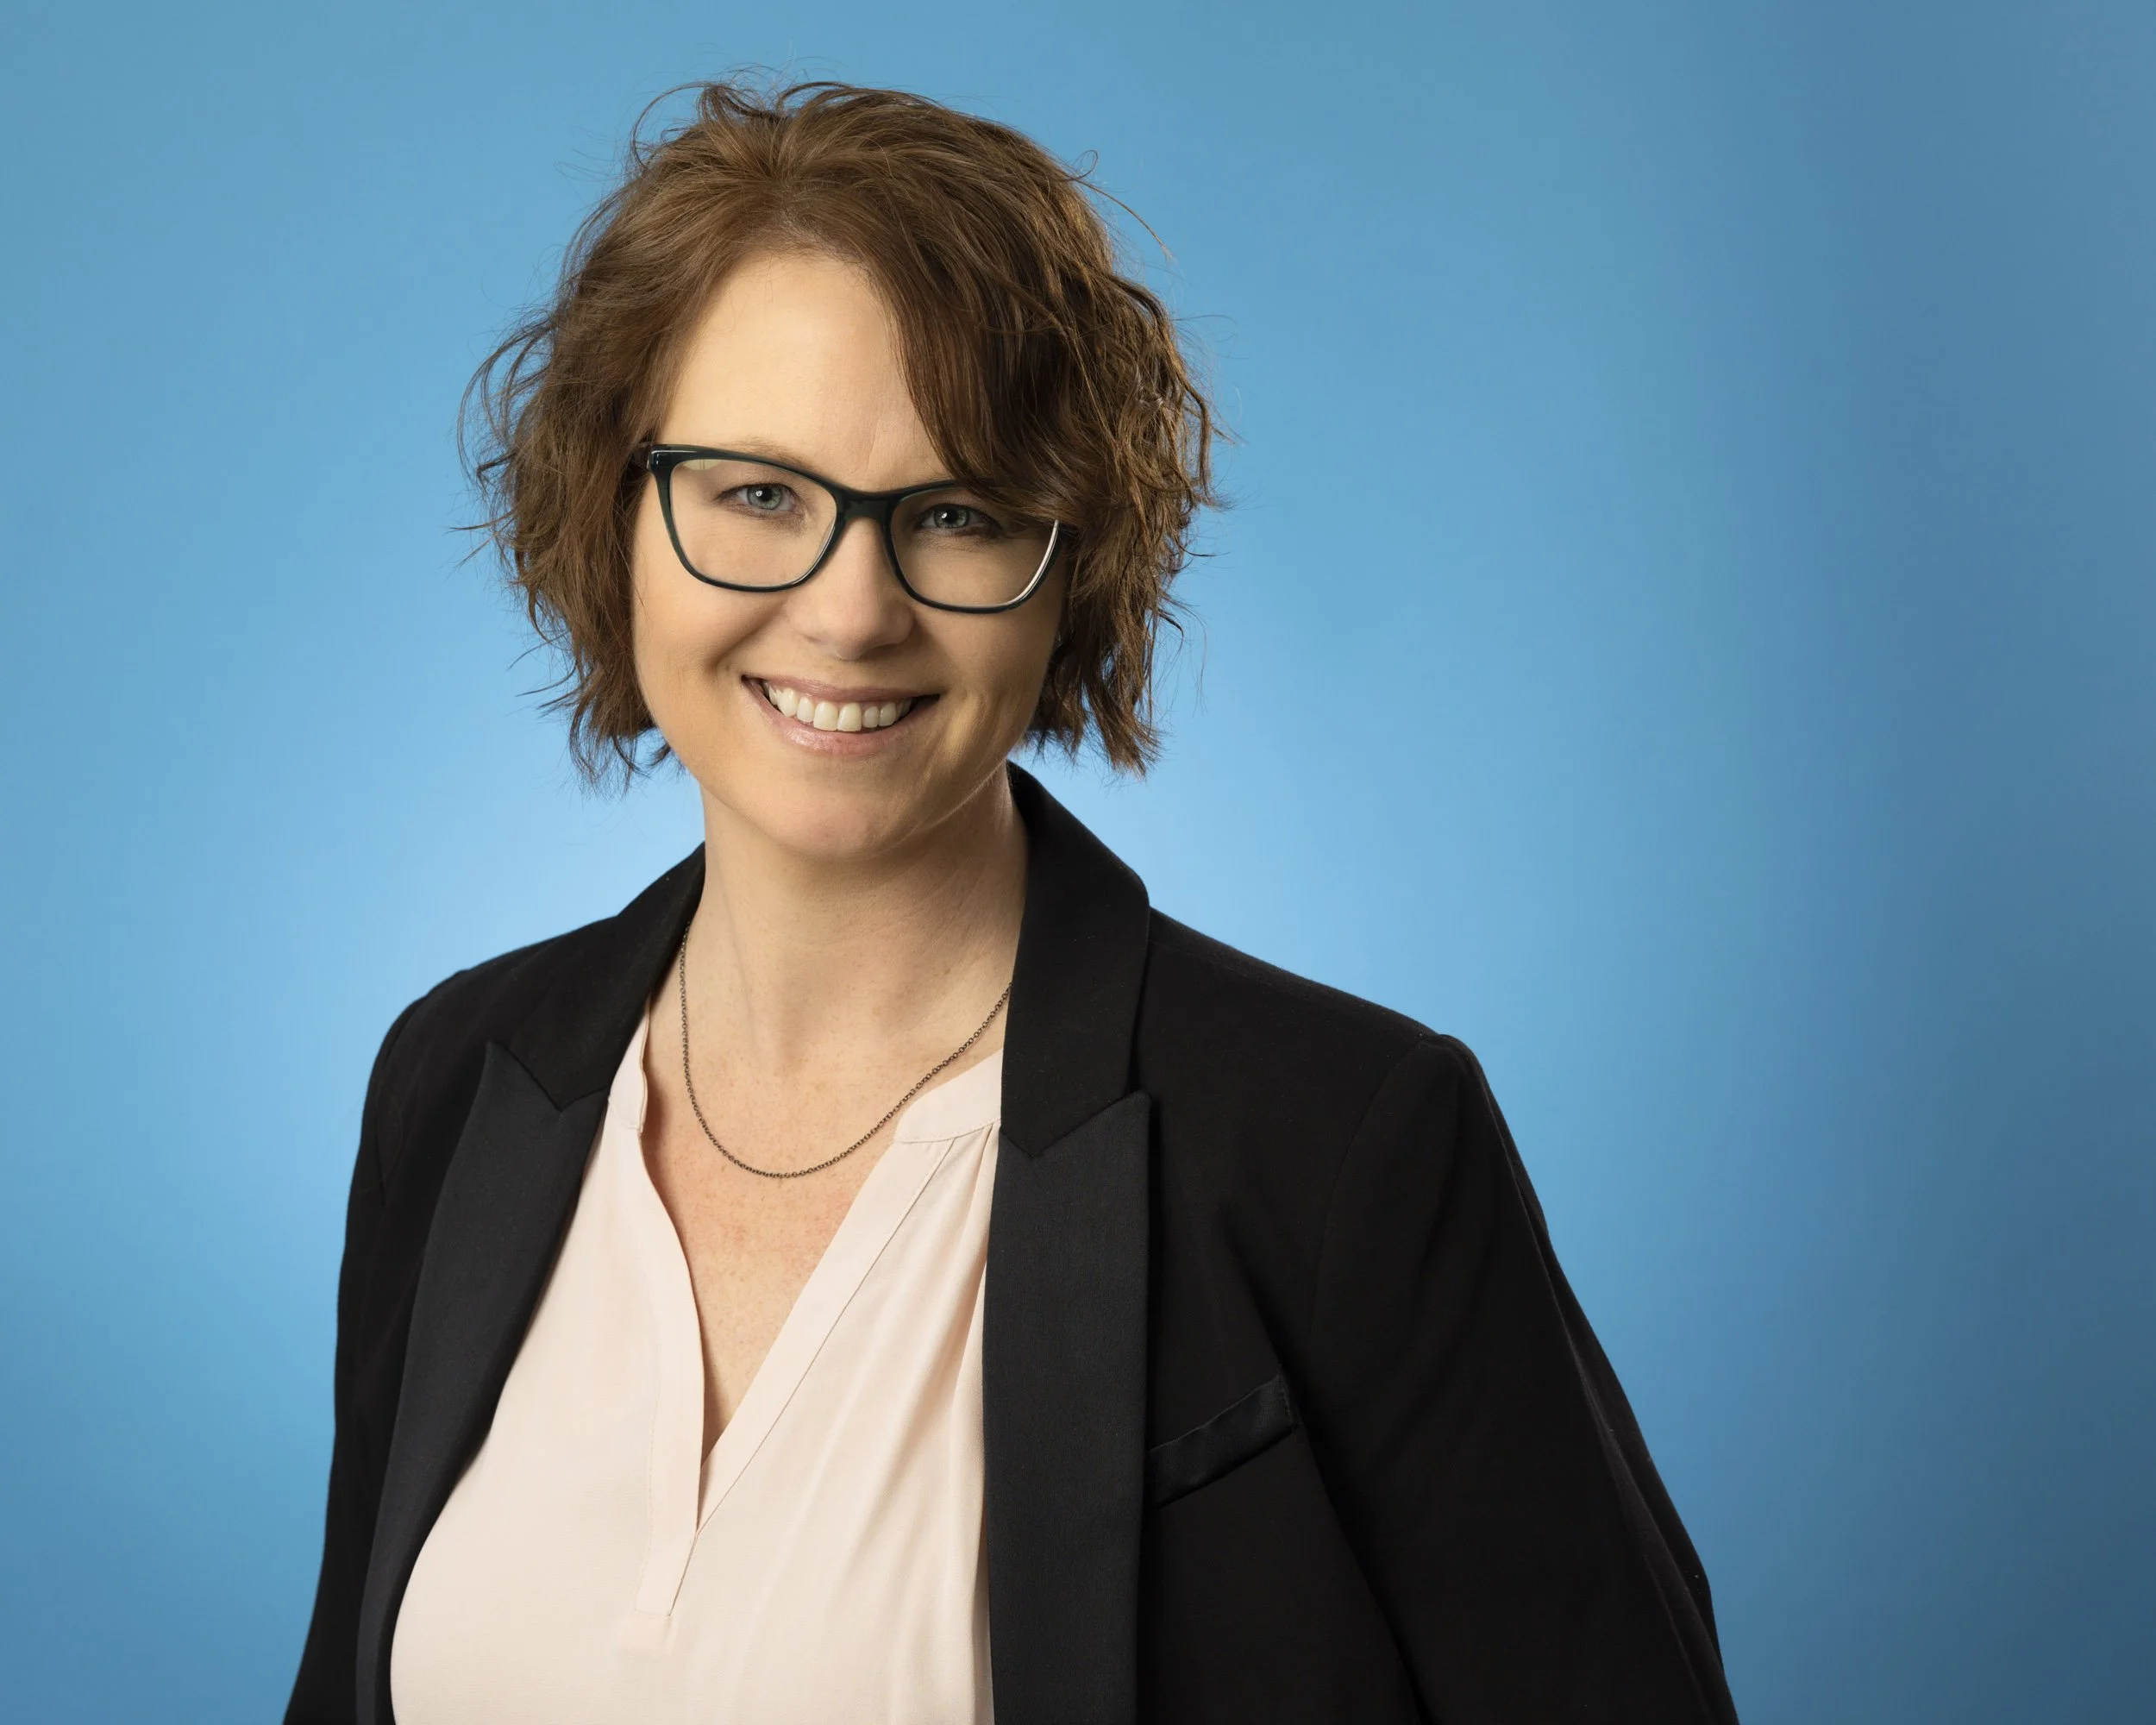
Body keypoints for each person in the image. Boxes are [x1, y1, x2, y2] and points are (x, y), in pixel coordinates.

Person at [285, 78, 1739, 1725]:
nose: (848, 612)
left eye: (959, 515)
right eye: (757, 492)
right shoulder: (458, 1082)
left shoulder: (1346, 1147)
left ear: (1075, 575)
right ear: (614, 514)